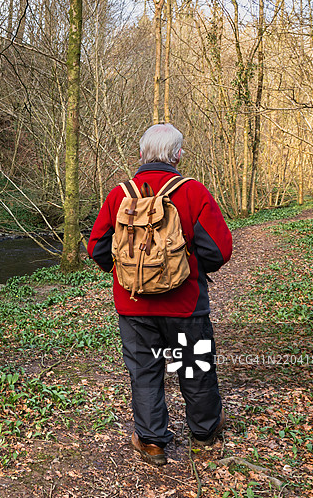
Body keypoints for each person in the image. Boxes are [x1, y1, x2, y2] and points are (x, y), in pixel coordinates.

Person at [87, 123, 233, 466]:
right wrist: (189, 267)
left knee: (145, 371)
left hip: (133, 305)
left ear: (141, 154)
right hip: (185, 306)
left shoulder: (119, 194)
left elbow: (97, 248)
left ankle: (152, 443)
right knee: (194, 367)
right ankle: (205, 433)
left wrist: (126, 272)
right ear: (178, 155)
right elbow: (220, 250)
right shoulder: (193, 191)